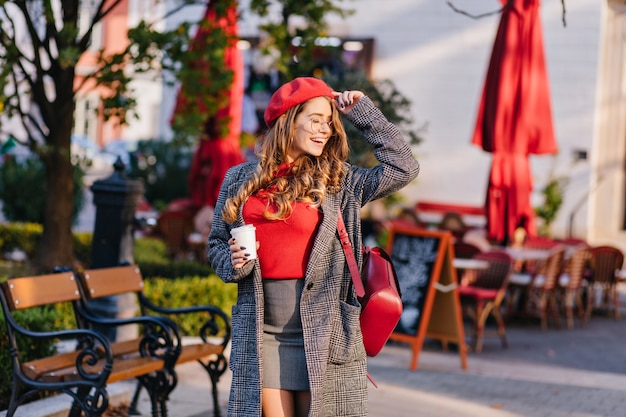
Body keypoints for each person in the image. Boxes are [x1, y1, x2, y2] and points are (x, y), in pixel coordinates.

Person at [207, 77, 419, 417]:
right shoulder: (238, 179)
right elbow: (216, 242)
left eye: (329, 124)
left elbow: (404, 167)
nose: (326, 131)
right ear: (289, 121)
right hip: (261, 329)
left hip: (323, 328)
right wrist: (231, 261)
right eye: (316, 120)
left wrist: (364, 113)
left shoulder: (340, 181)